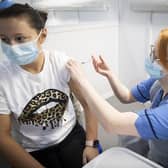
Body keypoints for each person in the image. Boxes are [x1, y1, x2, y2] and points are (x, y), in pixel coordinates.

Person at [0, 3, 99, 168]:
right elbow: (3, 136)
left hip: (70, 136)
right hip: (34, 149)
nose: (12, 47)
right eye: (4, 40)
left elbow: (89, 104)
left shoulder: (61, 63)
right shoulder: (3, 78)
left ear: (42, 36)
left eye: (19, 38)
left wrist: (91, 144)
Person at [66, 28, 168, 168]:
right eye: (152, 50)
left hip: (162, 162)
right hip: (155, 146)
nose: (150, 57)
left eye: (154, 55)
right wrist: (109, 74)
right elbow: (126, 96)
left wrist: (82, 81)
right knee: (129, 137)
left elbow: (113, 124)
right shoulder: (159, 82)